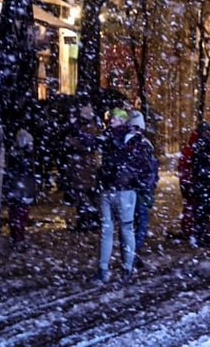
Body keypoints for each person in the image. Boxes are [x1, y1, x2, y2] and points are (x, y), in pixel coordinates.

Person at [92, 108, 155, 284]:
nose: (110, 121)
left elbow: (144, 168)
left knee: (115, 230)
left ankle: (110, 269)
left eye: (114, 118)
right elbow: (145, 168)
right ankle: (122, 268)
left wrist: (132, 180)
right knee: (122, 230)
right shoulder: (130, 140)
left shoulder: (122, 140)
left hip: (118, 190)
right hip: (120, 190)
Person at [179, 121, 210, 247]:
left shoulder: (203, 146)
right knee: (201, 212)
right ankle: (198, 237)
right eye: (206, 131)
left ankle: (201, 236)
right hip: (202, 185)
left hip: (204, 185)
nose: (208, 134)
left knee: (204, 212)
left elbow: (207, 167)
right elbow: (199, 168)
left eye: (209, 131)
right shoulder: (200, 147)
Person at [63, 105, 102, 231]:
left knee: (86, 196)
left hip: (84, 167)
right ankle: (86, 221)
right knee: (84, 196)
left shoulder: (89, 128)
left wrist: (72, 142)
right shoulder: (85, 127)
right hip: (81, 167)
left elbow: (87, 144)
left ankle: (88, 221)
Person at [128, 110, 160, 264]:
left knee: (131, 222)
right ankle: (134, 252)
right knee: (140, 221)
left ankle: (131, 252)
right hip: (141, 188)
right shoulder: (145, 144)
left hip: (132, 188)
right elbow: (151, 169)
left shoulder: (126, 142)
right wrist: (149, 185)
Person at [5, 127, 39, 250]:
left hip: (21, 191)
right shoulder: (20, 157)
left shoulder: (24, 156)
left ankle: (18, 238)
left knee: (20, 216)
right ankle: (18, 239)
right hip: (19, 191)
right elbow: (20, 176)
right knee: (18, 216)